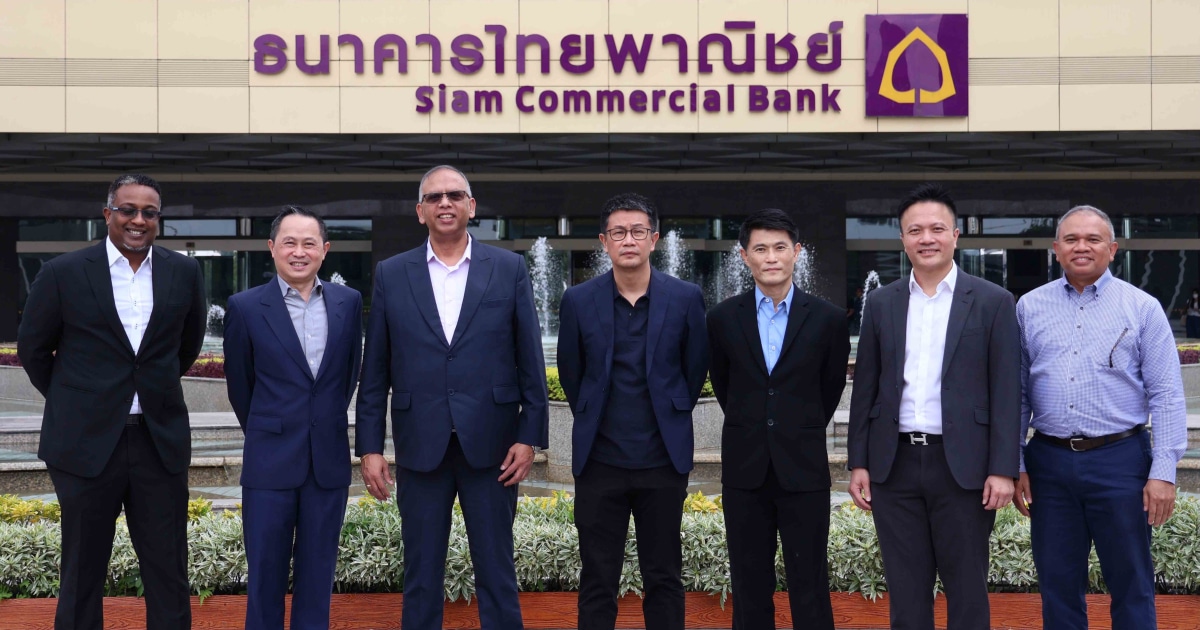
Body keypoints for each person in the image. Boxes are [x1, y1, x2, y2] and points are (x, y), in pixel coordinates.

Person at [356, 165, 549, 630]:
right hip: (420, 444)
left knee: (497, 572)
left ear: (471, 206)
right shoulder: (391, 273)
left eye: (455, 195)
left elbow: (530, 358)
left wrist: (529, 436)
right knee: (421, 575)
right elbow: (375, 370)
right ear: (420, 211)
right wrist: (370, 448)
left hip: (494, 446)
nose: (445, 203)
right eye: (435, 197)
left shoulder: (507, 268)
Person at [17, 174, 206, 630]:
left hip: (158, 443)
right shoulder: (63, 272)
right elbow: (33, 350)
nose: (138, 220)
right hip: (84, 445)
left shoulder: (184, 272)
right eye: (128, 210)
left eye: (149, 212)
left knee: (168, 572)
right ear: (107, 214)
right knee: (82, 573)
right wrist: (78, 402)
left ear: (158, 219)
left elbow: (187, 347)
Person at [847, 183, 1021, 630]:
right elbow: (866, 388)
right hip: (894, 465)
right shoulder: (882, 302)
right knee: (906, 592)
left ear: (955, 235)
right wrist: (859, 462)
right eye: (915, 230)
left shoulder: (993, 301)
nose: (927, 238)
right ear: (903, 239)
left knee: (967, 589)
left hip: (964, 467)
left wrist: (1003, 468)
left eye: (937, 229)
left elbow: (1007, 391)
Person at [1014, 205, 1186, 630]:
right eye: (1071, 239)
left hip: (1121, 460)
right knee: (1057, 582)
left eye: (1093, 239)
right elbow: (1016, 394)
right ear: (1056, 249)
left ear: (1112, 249)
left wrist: (1163, 472)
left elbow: (1166, 394)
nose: (1082, 247)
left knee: (1131, 581)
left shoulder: (1141, 308)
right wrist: (1015, 461)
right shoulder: (1029, 307)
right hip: (1049, 463)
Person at [556, 193, 709, 630]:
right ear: (604, 241)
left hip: (662, 461)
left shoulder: (685, 297)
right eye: (619, 232)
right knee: (597, 579)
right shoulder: (579, 300)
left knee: (664, 576)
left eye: (638, 231)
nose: (629, 240)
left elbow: (694, 370)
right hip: (599, 461)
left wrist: (670, 413)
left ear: (654, 239)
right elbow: (572, 374)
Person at [707, 208, 850, 630]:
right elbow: (724, 385)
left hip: (803, 469)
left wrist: (796, 426)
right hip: (745, 470)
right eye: (761, 249)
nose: (771, 257)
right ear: (744, 256)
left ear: (796, 252)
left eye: (780, 247)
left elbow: (829, 389)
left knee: (810, 584)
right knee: (749, 584)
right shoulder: (721, 318)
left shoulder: (827, 318)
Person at [223, 206, 364, 630]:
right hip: (269, 463)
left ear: (325, 249)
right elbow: (241, 387)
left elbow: (347, 377)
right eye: (289, 242)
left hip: (327, 464)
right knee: (265, 581)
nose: (298, 252)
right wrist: (271, 428)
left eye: (308, 243)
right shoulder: (246, 307)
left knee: (317, 580)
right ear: (272, 248)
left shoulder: (348, 302)